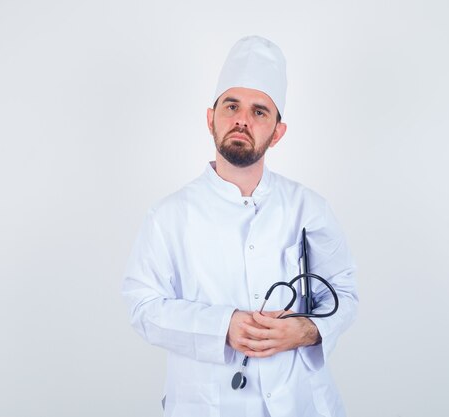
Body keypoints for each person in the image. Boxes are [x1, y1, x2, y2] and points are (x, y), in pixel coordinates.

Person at [122, 35, 358, 417]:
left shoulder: (309, 208)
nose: (242, 120)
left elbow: (343, 294)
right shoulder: (168, 216)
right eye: (231, 105)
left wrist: (308, 330)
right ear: (210, 117)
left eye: (259, 111)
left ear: (277, 133)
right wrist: (222, 326)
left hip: (300, 402)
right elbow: (143, 307)